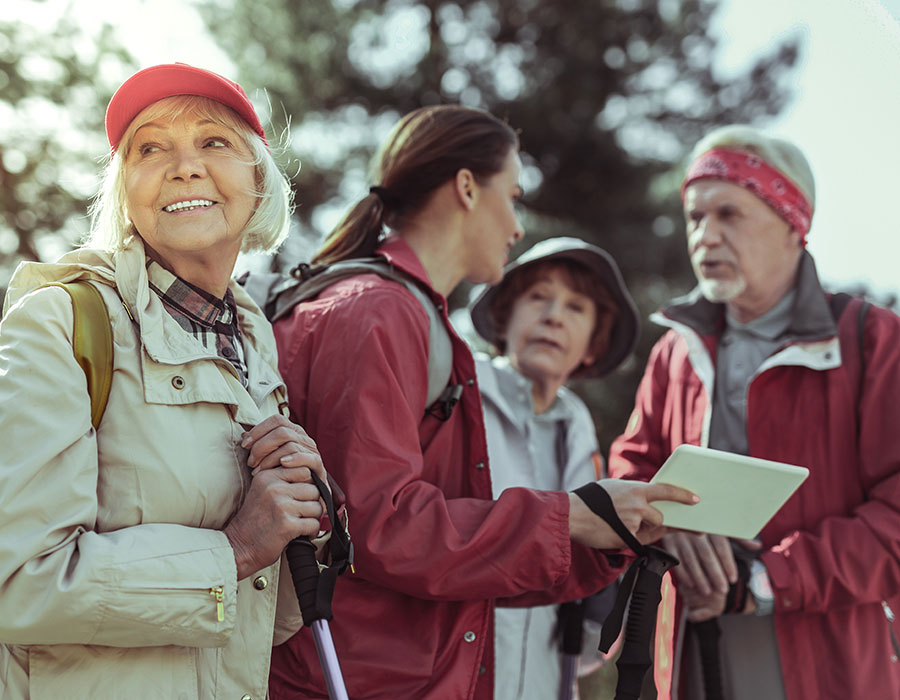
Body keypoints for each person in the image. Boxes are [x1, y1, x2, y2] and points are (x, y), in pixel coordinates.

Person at [267, 104, 697, 700]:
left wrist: (609, 536)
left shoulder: (405, 315)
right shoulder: (377, 312)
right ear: (467, 188)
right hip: (355, 681)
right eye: (514, 196)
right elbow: (376, 526)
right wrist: (572, 514)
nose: (518, 227)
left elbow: (462, 556)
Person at [0, 63, 334, 700]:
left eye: (215, 142)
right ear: (126, 191)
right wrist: (233, 552)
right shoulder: (61, 322)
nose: (184, 166)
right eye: (150, 148)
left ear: (259, 179)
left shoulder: (255, 339)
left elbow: (268, 623)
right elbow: (17, 584)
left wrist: (299, 525)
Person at [607, 124, 900, 700]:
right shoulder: (675, 351)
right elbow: (630, 473)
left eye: (729, 215)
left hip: (828, 660)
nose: (704, 237)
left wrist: (766, 579)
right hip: (691, 648)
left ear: (794, 224)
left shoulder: (874, 341)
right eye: (695, 217)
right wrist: (662, 528)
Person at [468, 236, 640, 700]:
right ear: (505, 316)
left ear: (592, 345)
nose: (554, 316)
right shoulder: (460, 397)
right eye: (538, 297)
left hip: (546, 678)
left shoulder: (579, 428)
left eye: (577, 307)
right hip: (453, 668)